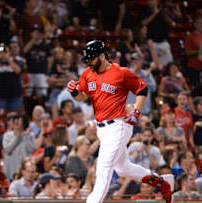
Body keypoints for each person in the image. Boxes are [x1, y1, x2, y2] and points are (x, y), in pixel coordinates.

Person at [66, 40, 174, 203]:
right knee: (123, 168)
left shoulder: (120, 72)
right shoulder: (88, 73)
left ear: (102, 56)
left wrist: (137, 110)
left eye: (91, 59)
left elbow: (142, 88)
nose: (88, 62)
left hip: (118, 125)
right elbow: (82, 97)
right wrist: (74, 92)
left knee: (103, 169)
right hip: (102, 129)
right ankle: (163, 183)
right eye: (87, 59)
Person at [3, 113, 41, 181]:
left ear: (24, 123)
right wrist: (18, 137)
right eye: (15, 120)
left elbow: (32, 149)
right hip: (11, 170)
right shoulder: (7, 135)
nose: (16, 122)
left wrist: (25, 136)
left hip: (26, 171)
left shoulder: (30, 135)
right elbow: (8, 150)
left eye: (19, 120)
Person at [184, 17, 202, 86]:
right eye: (201, 23)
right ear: (195, 25)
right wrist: (200, 51)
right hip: (194, 68)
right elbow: (187, 52)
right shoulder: (190, 37)